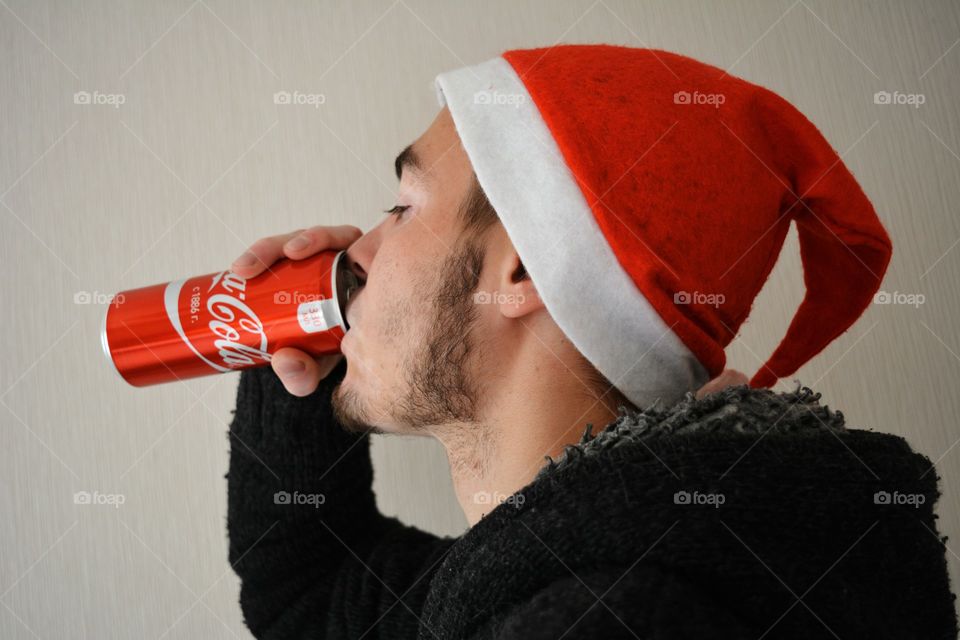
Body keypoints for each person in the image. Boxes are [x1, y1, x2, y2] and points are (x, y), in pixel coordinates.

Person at [224, 45, 958, 638]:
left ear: (520, 268)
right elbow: (308, 600)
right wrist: (284, 332)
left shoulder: (607, 615)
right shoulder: (570, 566)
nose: (358, 253)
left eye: (403, 207)